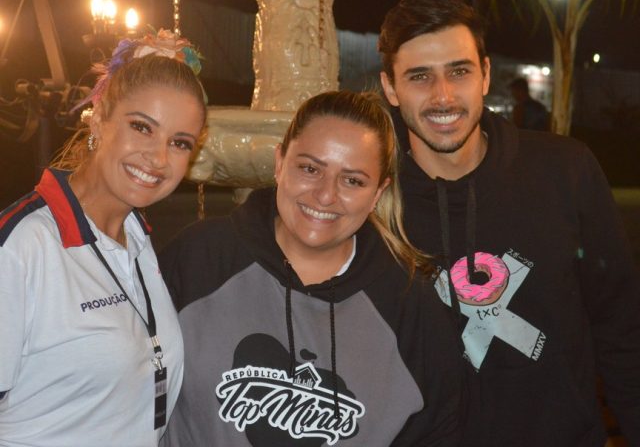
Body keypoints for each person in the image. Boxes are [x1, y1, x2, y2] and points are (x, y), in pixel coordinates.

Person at [378, 0, 640, 446]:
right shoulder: (374, 198)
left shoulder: (565, 170)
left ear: (485, 75)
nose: (443, 96)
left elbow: (622, 326)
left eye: (458, 71)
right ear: (390, 89)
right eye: (419, 77)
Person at [159, 90, 464, 446]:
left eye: (353, 180)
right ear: (279, 163)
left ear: (377, 194)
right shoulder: (200, 258)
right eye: (310, 169)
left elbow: (442, 431)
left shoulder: (410, 307)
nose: (325, 195)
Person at [0, 29, 207, 446]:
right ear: (98, 120)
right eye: (142, 127)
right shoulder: (22, 248)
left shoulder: (137, 239)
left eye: (179, 142)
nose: (159, 158)